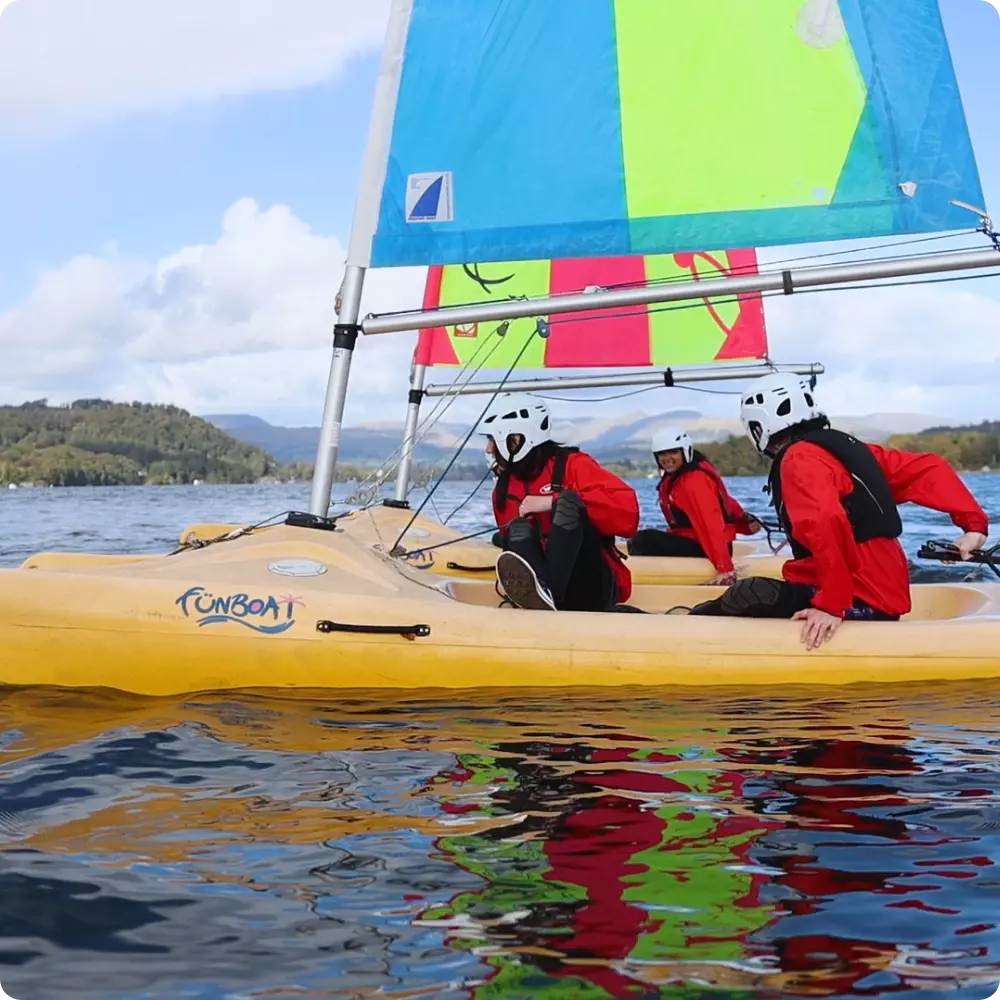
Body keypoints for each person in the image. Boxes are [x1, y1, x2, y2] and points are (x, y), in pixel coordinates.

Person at [688, 373, 989, 648]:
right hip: (884, 594)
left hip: (859, 598)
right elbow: (929, 468)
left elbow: (825, 520)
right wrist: (973, 528)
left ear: (759, 425)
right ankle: (692, 618)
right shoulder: (851, 450)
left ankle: (686, 628)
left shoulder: (799, 459)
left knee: (749, 593)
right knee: (754, 592)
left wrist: (831, 605)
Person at [479, 392, 639, 612]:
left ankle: (549, 595)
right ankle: (548, 598)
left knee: (568, 504)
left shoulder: (573, 465)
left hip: (592, 584)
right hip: (546, 584)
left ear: (516, 439)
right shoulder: (503, 490)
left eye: (492, 439)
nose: (489, 449)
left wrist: (550, 502)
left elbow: (628, 514)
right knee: (517, 529)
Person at [627, 424, 762, 585]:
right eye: (662, 453)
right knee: (639, 538)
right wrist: (744, 522)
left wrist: (724, 568)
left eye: (673, 452)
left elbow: (710, 523)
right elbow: (725, 502)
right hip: (696, 541)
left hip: (706, 548)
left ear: (685, 451)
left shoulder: (693, 481)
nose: (667, 458)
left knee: (642, 540)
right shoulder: (678, 476)